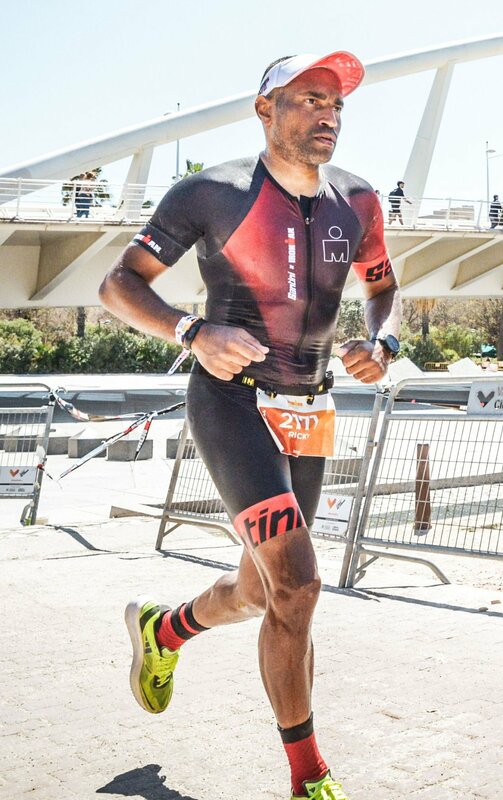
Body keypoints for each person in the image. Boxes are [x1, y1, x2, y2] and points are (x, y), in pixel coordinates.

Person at [99, 52, 400, 800]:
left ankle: (165, 630)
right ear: (266, 109)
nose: (329, 113)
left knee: (264, 592)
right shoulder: (213, 192)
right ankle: (309, 777)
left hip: (311, 410)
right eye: (310, 98)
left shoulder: (360, 200)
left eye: (337, 102)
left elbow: (384, 288)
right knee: (298, 588)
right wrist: (192, 330)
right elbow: (119, 283)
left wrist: (382, 342)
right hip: (232, 402)